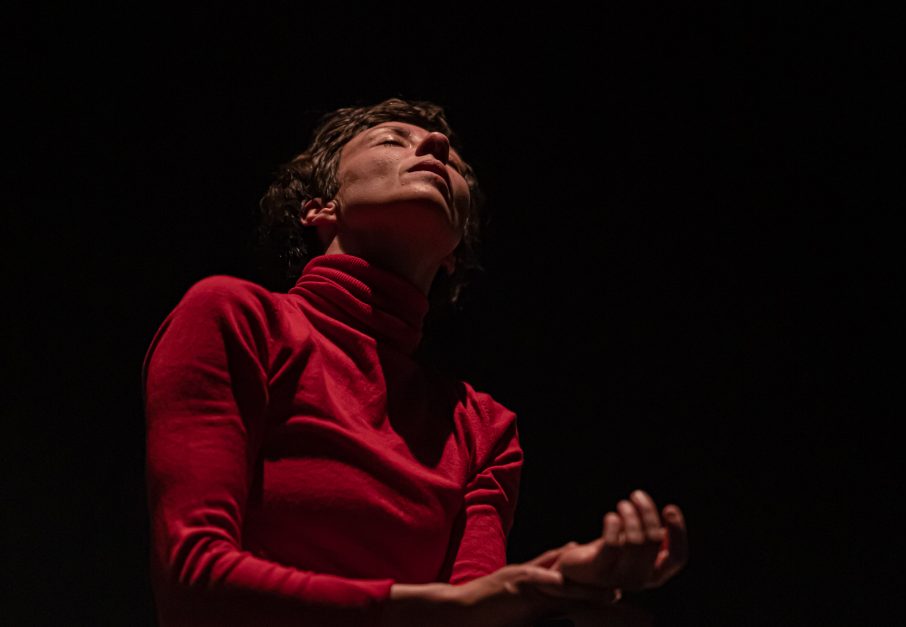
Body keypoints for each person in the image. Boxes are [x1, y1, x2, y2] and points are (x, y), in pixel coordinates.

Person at [141, 97, 688, 627]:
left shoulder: (482, 426)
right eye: (392, 140)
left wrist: (560, 599)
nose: (436, 146)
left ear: (453, 254)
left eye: (455, 166)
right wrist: (504, 598)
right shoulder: (236, 317)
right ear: (320, 207)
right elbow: (194, 588)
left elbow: (474, 611)